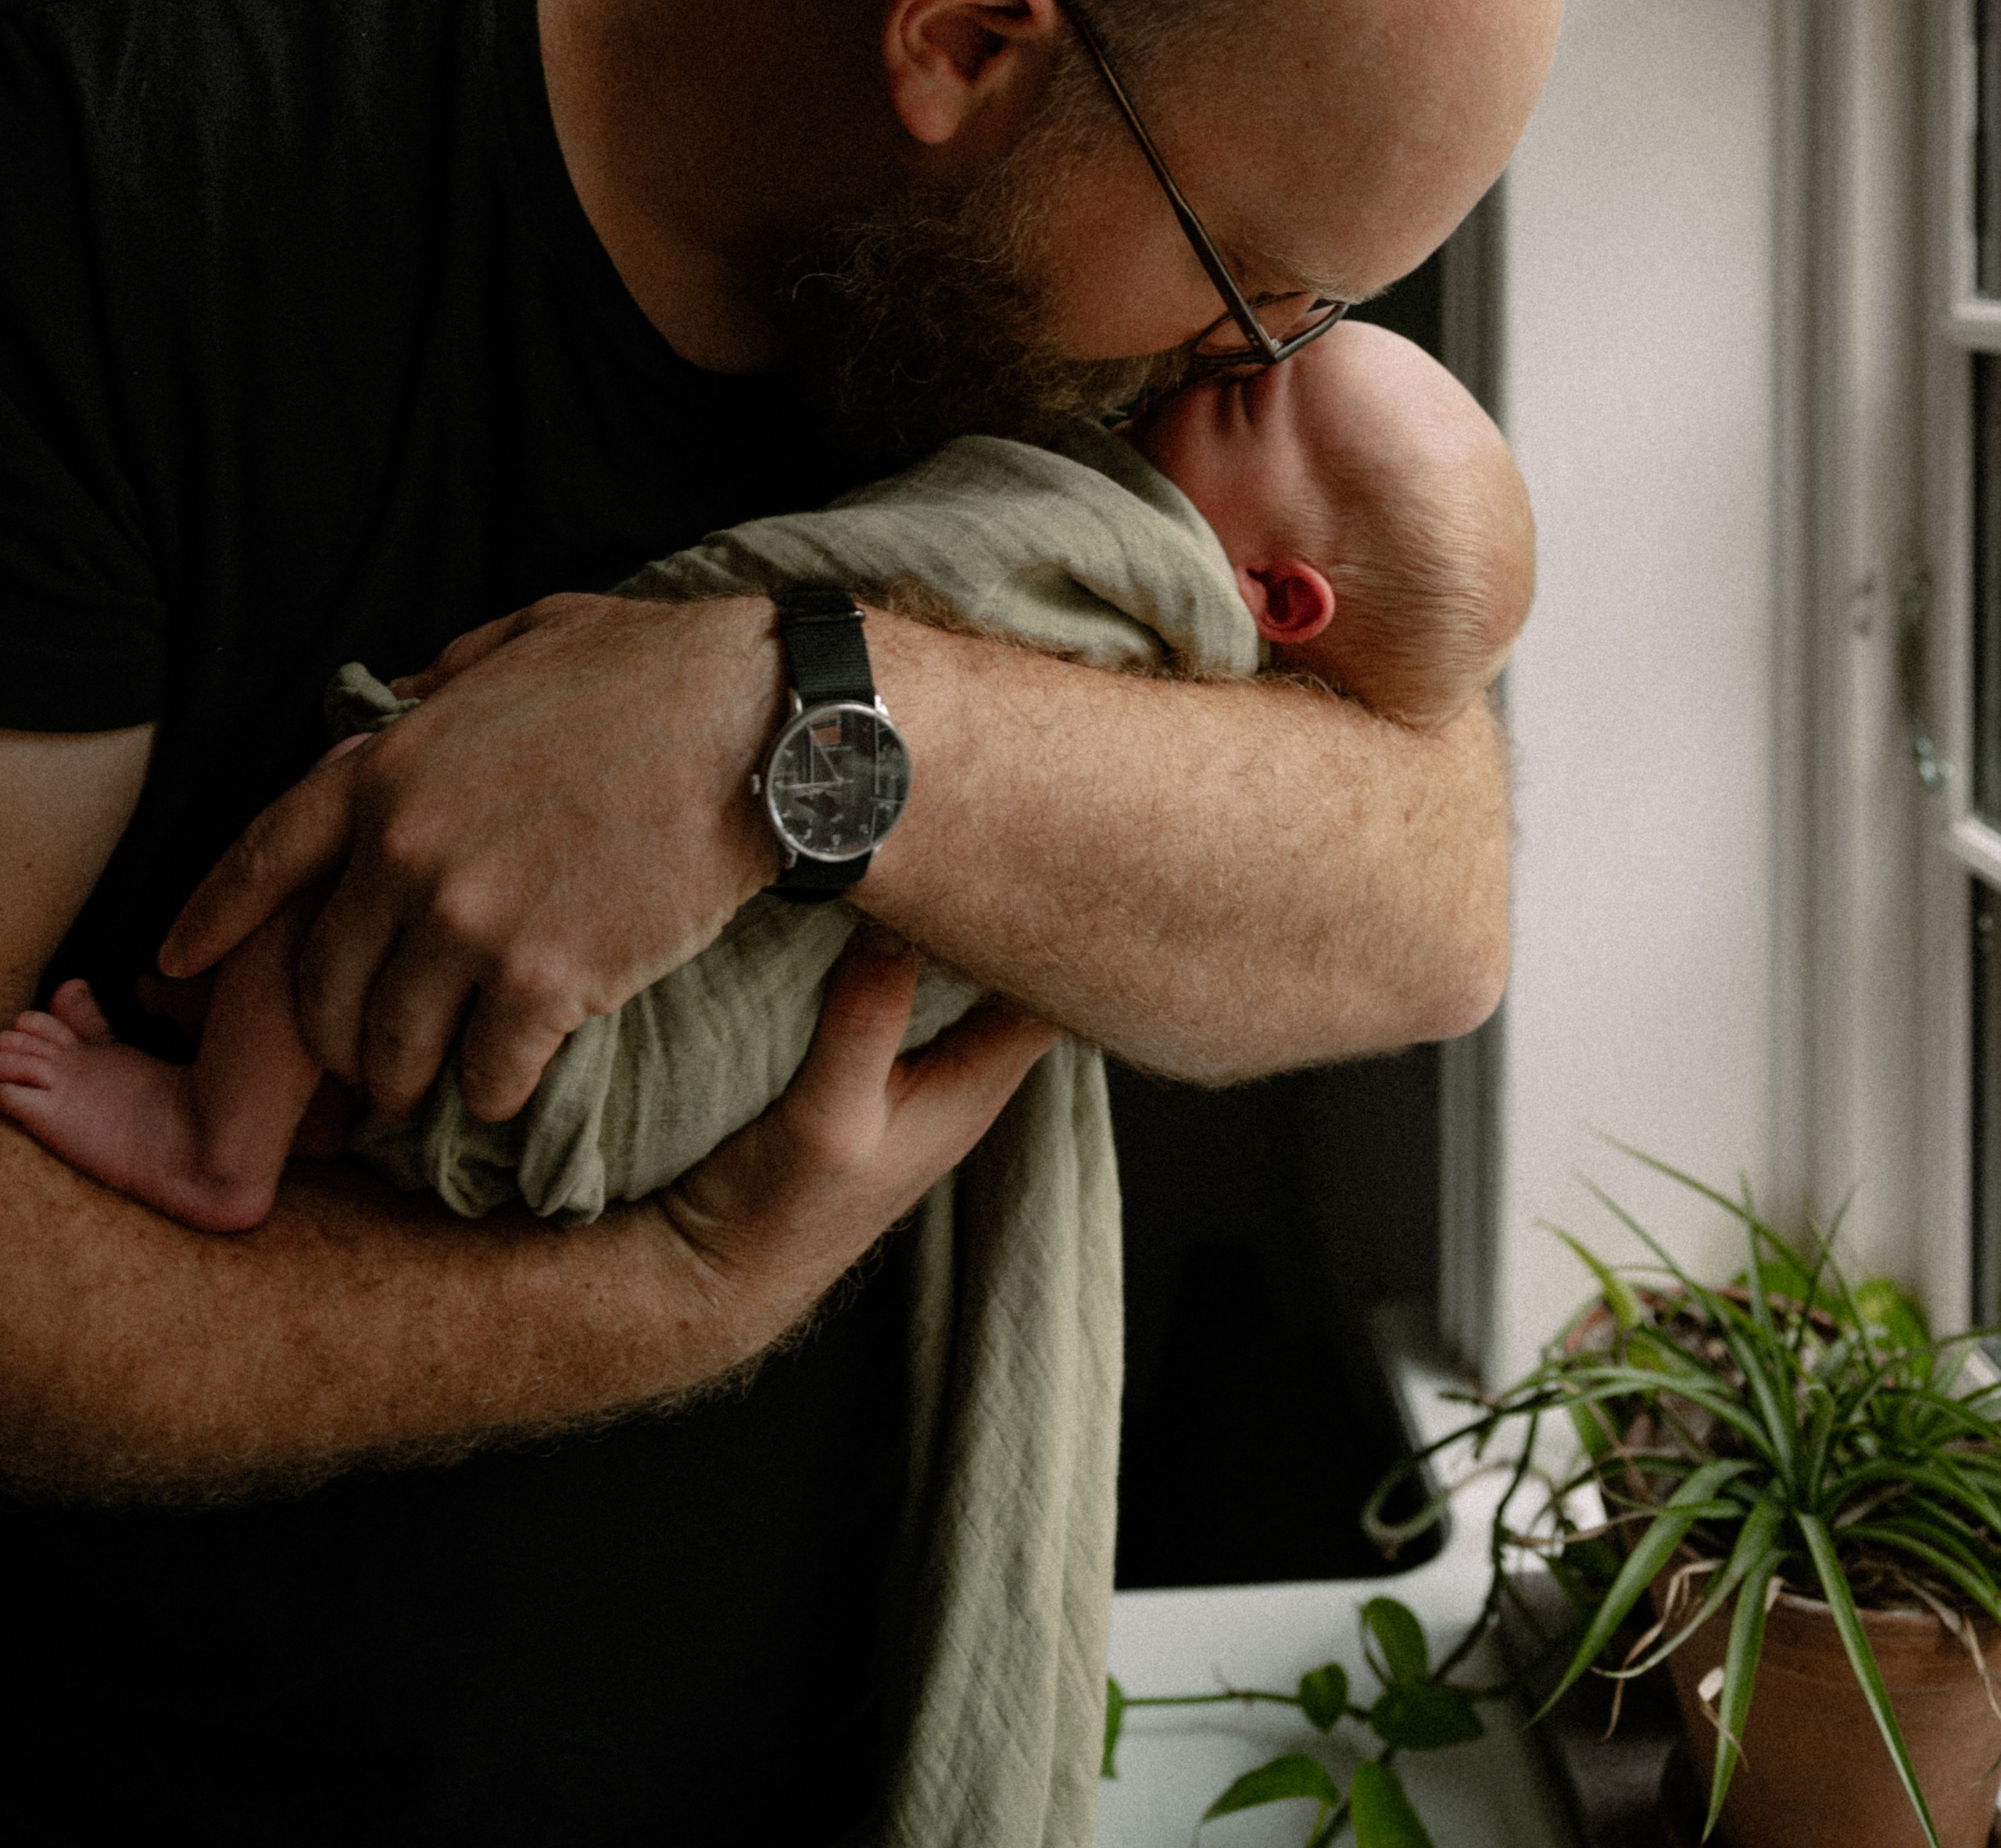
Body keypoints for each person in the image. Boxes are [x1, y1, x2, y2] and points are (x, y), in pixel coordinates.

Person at [0, 0, 1567, 1844]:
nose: (1250, 375)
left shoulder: (1090, 404)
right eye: (1258, 289)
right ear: (968, 45)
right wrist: (683, 1288)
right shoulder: (114, 194)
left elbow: (1428, 892)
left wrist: (787, 725)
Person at [0, 318, 1533, 1848]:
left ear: (1271, 598)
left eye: (1250, 388)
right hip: (262, 1700)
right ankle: (290, 1119)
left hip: (645, 1148)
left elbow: (1452, 931)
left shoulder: (1127, 571)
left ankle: (213, 1141)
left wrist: (732, 696)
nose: (1224, 344)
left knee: (360, 850)